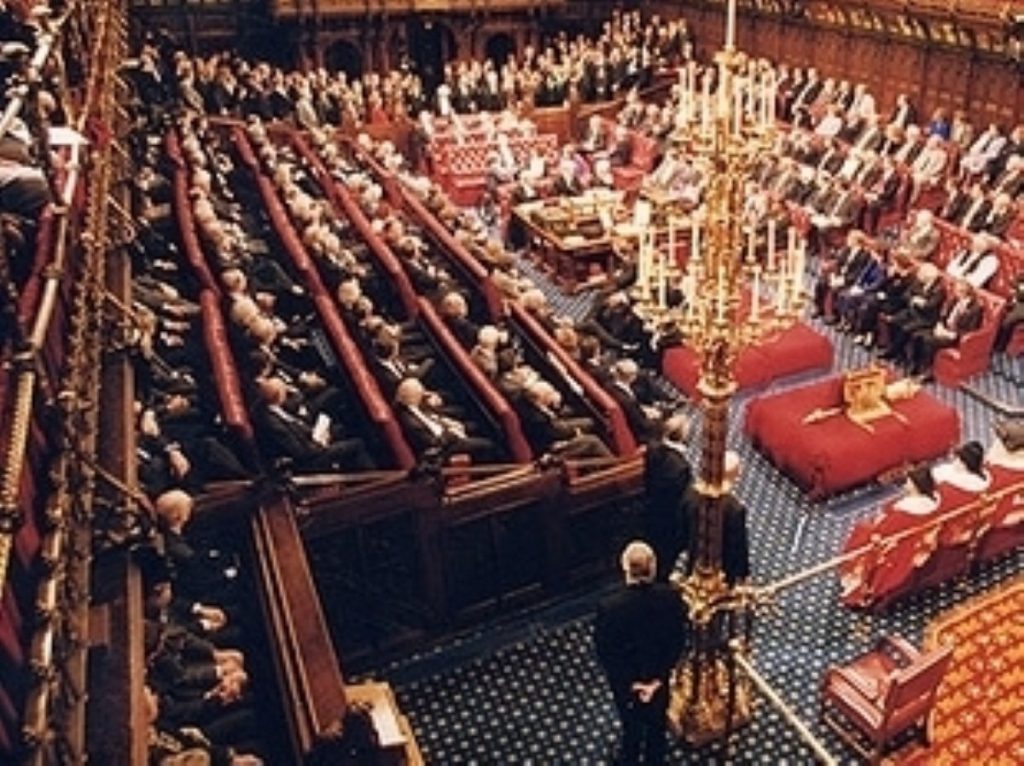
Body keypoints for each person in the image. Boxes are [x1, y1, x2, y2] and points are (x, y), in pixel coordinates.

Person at [594, 541, 690, 765]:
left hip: (627, 686)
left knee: (631, 726)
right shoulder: (671, 598)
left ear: (625, 568)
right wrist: (655, 681)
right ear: (653, 567)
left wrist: (633, 685)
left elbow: (606, 653)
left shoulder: (610, 608)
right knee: (657, 729)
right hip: (659, 680)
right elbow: (678, 642)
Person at [642, 415, 693, 580]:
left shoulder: (653, 450)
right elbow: (679, 502)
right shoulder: (680, 467)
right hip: (669, 522)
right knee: (665, 558)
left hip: (650, 511)